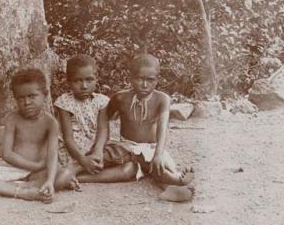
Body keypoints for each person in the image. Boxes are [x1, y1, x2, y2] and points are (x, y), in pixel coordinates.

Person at [0, 68, 78, 203]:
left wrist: (50, 180)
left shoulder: (51, 123)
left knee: (65, 174)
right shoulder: (12, 119)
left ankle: (11, 188)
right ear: (15, 98)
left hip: (38, 173)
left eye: (32, 96)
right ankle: (21, 192)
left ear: (45, 95)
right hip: (14, 169)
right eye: (21, 98)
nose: (26, 103)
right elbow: (7, 154)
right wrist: (33, 166)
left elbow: (52, 154)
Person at [106, 54, 194, 191]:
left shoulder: (162, 99)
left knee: (159, 165)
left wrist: (158, 154)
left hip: (151, 148)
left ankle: (174, 185)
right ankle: (176, 182)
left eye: (150, 80)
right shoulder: (120, 98)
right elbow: (104, 116)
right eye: (140, 79)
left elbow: (163, 127)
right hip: (127, 146)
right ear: (131, 78)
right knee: (107, 159)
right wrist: (101, 142)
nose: (145, 84)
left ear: (157, 80)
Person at [55, 55, 137, 183]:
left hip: (98, 149)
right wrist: (83, 160)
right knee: (121, 164)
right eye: (77, 81)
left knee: (130, 167)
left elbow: (103, 130)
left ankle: (78, 176)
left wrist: (98, 152)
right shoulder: (64, 102)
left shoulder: (101, 101)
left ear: (96, 79)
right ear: (69, 82)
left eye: (89, 80)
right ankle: (77, 168)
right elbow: (68, 138)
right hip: (76, 152)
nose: (84, 86)